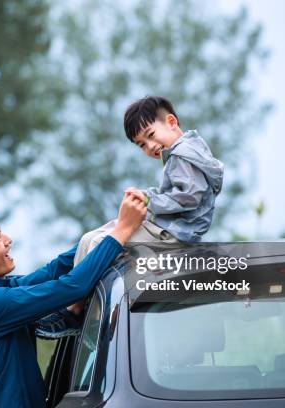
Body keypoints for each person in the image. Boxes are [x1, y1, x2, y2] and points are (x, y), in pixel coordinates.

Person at [0, 192, 146, 408]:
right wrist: (122, 231)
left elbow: (53, 270)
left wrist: (100, 237)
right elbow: (72, 286)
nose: (8, 240)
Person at [37, 95, 224, 337]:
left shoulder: (183, 155)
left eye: (150, 135)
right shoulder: (184, 151)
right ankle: (75, 307)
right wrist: (149, 196)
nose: (149, 146)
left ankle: (80, 314)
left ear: (171, 122)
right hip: (164, 226)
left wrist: (149, 199)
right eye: (141, 144)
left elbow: (188, 198)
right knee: (89, 238)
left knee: (98, 244)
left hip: (174, 234)